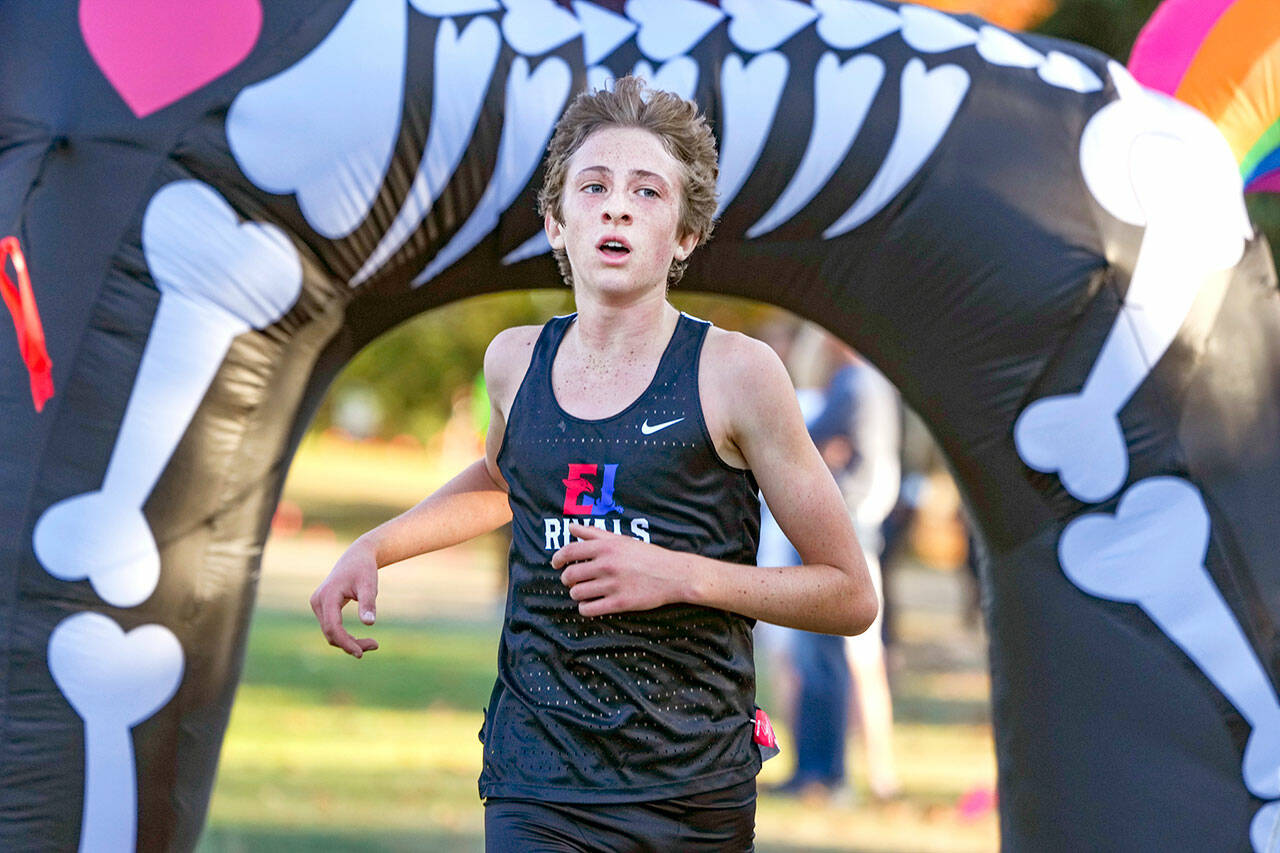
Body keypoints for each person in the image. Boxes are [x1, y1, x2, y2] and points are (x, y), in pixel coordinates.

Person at [310, 76, 878, 852]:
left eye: (648, 191)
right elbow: (506, 481)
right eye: (596, 186)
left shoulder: (736, 373)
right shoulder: (513, 361)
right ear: (556, 222)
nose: (617, 206)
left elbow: (848, 593)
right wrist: (374, 545)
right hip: (535, 772)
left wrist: (678, 573)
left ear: (683, 235)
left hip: (690, 784)